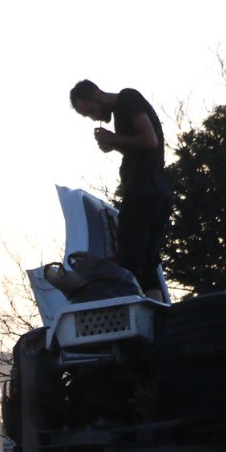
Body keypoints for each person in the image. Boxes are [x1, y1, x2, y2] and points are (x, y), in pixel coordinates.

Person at [69, 79, 171, 300]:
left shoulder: (127, 98)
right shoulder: (123, 111)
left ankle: (134, 314)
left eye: (91, 110)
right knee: (148, 263)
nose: (93, 117)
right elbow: (141, 148)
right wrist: (114, 144)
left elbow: (149, 140)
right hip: (157, 195)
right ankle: (155, 316)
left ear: (97, 94)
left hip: (143, 194)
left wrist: (112, 138)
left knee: (130, 260)